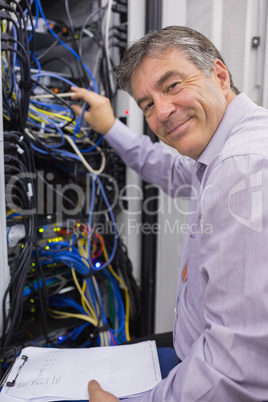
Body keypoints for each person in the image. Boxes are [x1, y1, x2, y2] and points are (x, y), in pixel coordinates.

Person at [71, 26, 268, 402]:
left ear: (220, 75)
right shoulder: (221, 149)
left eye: (172, 85)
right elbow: (167, 169)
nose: (161, 111)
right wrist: (110, 126)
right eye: (146, 104)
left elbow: (238, 371)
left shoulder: (243, 166)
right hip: (192, 358)